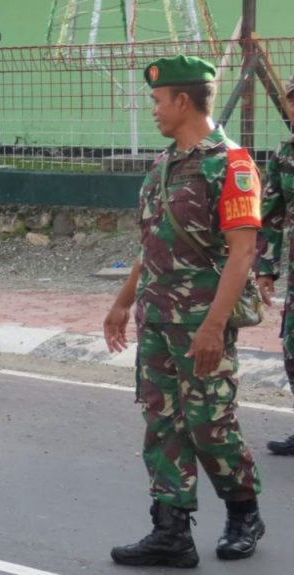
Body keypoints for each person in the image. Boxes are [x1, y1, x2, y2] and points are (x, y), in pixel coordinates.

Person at [103, 56, 265, 567]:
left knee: (209, 423)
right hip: (156, 321)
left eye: (157, 101)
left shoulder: (232, 164)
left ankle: (244, 512)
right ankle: (171, 532)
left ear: (182, 100)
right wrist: (123, 301)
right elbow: (152, 242)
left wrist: (215, 325)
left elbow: (243, 252)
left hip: (202, 323)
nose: (152, 110)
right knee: (163, 423)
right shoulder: (163, 165)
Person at [255, 74, 294, 456]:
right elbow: (270, 216)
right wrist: (265, 269)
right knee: (293, 350)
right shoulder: (285, 155)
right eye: (293, 100)